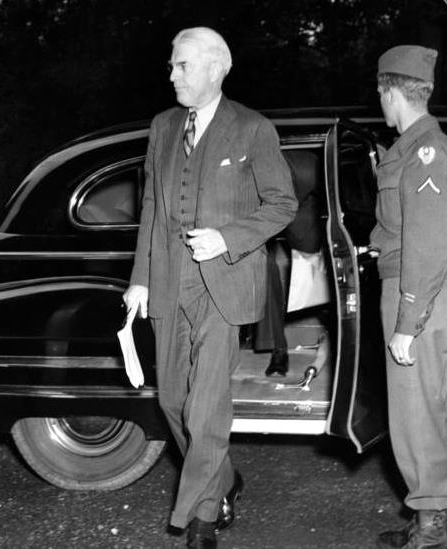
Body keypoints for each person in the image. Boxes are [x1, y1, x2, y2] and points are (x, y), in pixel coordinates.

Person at [123, 27, 297, 549]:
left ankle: (200, 519)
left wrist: (228, 238)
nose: (172, 74)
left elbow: (282, 204)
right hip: (169, 285)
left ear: (216, 67)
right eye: (173, 66)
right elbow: (152, 207)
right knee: (173, 401)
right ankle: (223, 479)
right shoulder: (162, 126)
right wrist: (139, 279)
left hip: (223, 288)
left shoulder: (252, 128)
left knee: (206, 410)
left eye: (182, 65)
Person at [371, 45, 447, 549]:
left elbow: (428, 247)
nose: (380, 104)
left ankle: (431, 530)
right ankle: (426, 515)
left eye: (381, 94)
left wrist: (407, 321)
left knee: (416, 413)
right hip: (417, 287)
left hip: (417, 292)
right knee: (420, 408)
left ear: (392, 92)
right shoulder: (415, 148)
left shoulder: (424, 151)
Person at [253, 150, 324, 376]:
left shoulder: (309, 169)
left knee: (311, 261)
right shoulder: (249, 174)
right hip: (260, 213)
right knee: (262, 266)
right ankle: (278, 349)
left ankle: (331, 330)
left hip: (301, 208)